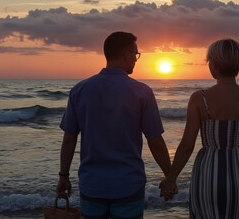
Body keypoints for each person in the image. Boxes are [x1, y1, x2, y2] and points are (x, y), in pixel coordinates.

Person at [160, 38, 239, 218]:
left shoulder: (199, 99)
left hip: (208, 175)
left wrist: (171, 179)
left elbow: (187, 145)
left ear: (214, 65)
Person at [57, 31, 172, 219]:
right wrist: (170, 176)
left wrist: (63, 176)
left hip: (92, 184)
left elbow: (69, 138)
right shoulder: (141, 92)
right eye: (136, 54)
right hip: (128, 184)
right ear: (126, 54)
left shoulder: (80, 90)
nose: (136, 59)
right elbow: (155, 140)